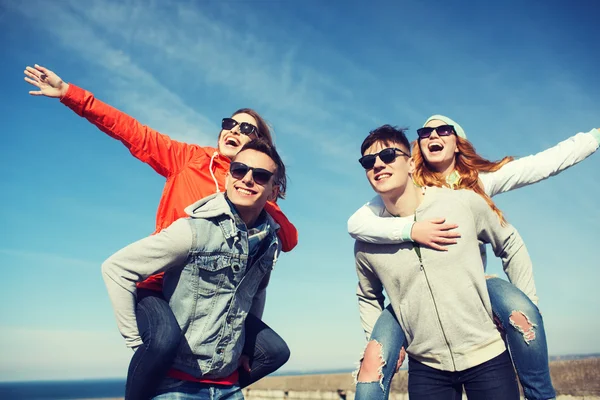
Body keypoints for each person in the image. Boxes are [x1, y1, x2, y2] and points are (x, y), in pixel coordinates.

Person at [24, 64, 296, 399]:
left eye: (247, 129)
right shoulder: (188, 159)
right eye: (230, 123)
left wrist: (263, 199)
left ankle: (215, 383)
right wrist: (71, 94)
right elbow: (132, 131)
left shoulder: (253, 186)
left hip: (216, 299)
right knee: (164, 341)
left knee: (274, 350)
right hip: (162, 286)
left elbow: (287, 239)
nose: (235, 130)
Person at [349, 114, 599, 400]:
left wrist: (593, 138)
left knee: (525, 312)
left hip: (475, 291)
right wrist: (410, 229)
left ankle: (540, 395)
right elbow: (356, 225)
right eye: (426, 131)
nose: (433, 136)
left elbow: (541, 165)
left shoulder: (473, 189)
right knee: (372, 361)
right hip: (421, 334)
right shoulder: (390, 202)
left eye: (444, 130)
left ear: (458, 143)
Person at [354, 124, 533, 399]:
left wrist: (526, 308)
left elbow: (510, 243)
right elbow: (367, 296)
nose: (378, 165)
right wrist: (383, 344)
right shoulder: (367, 242)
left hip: (487, 355)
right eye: (369, 162)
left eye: (388, 155)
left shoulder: (461, 204)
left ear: (411, 164)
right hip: (426, 368)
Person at [102, 139, 286, 399]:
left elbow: (256, 293)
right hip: (178, 388)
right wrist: (138, 346)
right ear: (226, 178)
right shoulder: (194, 231)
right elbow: (117, 268)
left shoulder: (269, 243)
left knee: (279, 351)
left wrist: (246, 349)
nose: (247, 179)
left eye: (260, 175)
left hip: (228, 388)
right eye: (239, 170)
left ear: (273, 191)